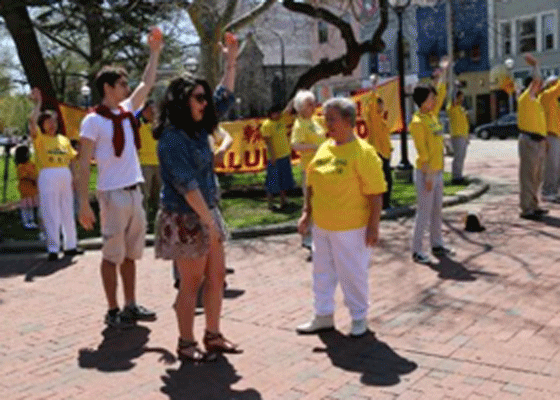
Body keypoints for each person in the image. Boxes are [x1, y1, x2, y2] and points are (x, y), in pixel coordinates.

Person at [153, 35, 241, 362]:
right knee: (192, 282)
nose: (205, 103)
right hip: (186, 217)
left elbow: (224, 96)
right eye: (198, 98)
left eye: (204, 97)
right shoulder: (172, 139)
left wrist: (230, 60)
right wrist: (209, 223)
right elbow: (187, 186)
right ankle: (186, 342)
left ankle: (213, 335)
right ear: (181, 101)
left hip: (207, 211)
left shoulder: (198, 126)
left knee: (217, 277)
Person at [77, 27, 163, 328]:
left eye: (127, 83)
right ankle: (112, 308)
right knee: (112, 254)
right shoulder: (93, 121)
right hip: (112, 194)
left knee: (131, 254)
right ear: (108, 87)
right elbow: (83, 164)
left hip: (133, 191)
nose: (127, 88)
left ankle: (130, 304)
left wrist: (154, 52)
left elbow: (147, 83)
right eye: (122, 84)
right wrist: (83, 203)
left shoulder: (127, 112)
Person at [296, 97, 386, 337]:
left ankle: (359, 317)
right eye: (326, 120)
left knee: (352, 274)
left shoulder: (363, 152)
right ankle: (323, 315)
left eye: (332, 120)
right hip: (323, 226)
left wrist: (373, 226)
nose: (327, 125)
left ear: (349, 121)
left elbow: (376, 193)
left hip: (351, 227)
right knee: (321, 272)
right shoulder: (325, 147)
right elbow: (312, 183)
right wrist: (307, 213)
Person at [29, 88, 83, 262]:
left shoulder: (63, 140)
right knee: (51, 211)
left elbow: (73, 158)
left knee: (67, 210)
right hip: (48, 174)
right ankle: (53, 248)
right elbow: (31, 122)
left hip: (64, 174)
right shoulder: (40, 139)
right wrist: (38, 104)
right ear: (42, 124)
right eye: (48, 122)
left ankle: (71, 245)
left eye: (54, 121)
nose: (52, 124)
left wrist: (75, 177)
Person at [410, 85, 455, 265]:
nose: (434, 101)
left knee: (437, 210)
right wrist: (428, 175)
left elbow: (442, 93)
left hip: (437, 171)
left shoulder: (431, 116)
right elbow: (422, 151)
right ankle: (417, 250)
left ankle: (437, 244)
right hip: (426, 172)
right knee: (424, 212)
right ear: (422, 101)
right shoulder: (417, 121)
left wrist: (443, 75)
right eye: (430, 98)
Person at [291, 90, 326, 252]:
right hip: (309, 167)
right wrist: (314, 147)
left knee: (320, 201)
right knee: (309, 202)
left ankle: (318, 236)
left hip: (322, 167)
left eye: (314, 103)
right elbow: (295, 145)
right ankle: (307, 237)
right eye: (309, 104)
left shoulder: (315, 120)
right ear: (300, 108)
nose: (313, 106)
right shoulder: (300, 124)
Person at [517, 54, 548, 220]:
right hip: (529, 141)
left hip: (539, 142)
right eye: (537, 84)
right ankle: (526, 208)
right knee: (528, 176)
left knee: (537, 177)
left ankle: (534, 205)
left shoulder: (536, 101)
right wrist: (535, 65)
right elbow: (536, 81)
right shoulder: (525, 99)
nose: (540, 85)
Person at [364, 77, 393, 209]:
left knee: (388, 180)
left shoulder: (381, 120)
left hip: (385, 153)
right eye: (379, 104)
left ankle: (386, 203)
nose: (381, 106)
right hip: (378, 153)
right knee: (382, 180)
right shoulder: (373, 118)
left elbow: (385, 137)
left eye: (381, 103)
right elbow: (371, 104)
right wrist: (374, 88)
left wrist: (390, 149)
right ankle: (382, 204)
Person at [261, 104, 295, 211]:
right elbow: (268, 142)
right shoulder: (267, 125)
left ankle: (283, 201)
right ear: (270, 114)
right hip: (275, 158)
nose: (278, 114)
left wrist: (299, 93)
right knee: (272, 181)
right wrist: (272, 156)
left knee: (284, 180)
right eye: (275, 113)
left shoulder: (281, 120)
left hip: (285, 155)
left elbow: (288, 108)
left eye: (278, 112)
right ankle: (270, 203)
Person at [136, 100, 161, 212]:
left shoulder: (159, 126)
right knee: (143, 194)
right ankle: (143, 217)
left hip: (159, 164)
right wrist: (141, 108)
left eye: (154, 110)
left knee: (159, 193)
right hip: (144, 164)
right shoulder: (138, 124)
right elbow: (135, 115)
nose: (153, 112)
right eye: (150, 110)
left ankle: (159, 215)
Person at [539, 75, 560, 202]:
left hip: (556, 136)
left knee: (557, 166)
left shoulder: (555, 101)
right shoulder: (546, 96)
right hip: (549, 136)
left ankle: (554, 191)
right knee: (551, 166)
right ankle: (547, 192)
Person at [446, 90, 470, 184]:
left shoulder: (461, 108)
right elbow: (451, 103)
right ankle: (456, 177)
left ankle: (459, 175)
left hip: (464, 135)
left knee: (462, 157)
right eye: (460, 97)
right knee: (458, 156)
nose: (462, 99)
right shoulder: (452, 107)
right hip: (457, 135)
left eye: (462, 97)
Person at [14, 145, 39, 230]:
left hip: (33, 190)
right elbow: (25, 176)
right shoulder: (20, 166)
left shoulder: (31, 163)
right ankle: (26, 222)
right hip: (25, 191)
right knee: (25, 207)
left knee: (31, 206)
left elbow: (35, 172)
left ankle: (31, 221)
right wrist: (34, 179)